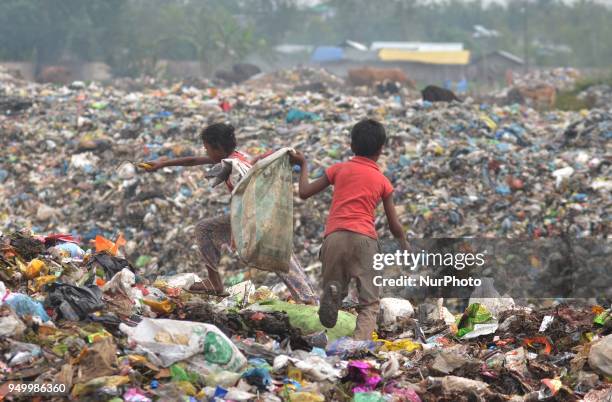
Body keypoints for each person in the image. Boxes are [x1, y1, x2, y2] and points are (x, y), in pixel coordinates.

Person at [143, 122, 318, 304]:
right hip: (248, 217)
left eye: (207, 148)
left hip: (258, 220)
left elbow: (249, 180)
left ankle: (308, 300)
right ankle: (214, 283)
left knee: (282, 261)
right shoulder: (235, 157)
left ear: (218, 148)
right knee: (205, 229)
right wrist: (162, 164)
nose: (206, 152)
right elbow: (194, 161)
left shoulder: (233, 164)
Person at [289, 118, 409, 340]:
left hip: (334, 238)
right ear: (381, 150)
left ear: (352, 145)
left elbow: (304, 192)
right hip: (365, 241)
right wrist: (404, 245)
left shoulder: (339, 169)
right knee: (369, 303)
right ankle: (356, 348)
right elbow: (394, 225)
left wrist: (303, 164)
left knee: (335, 286)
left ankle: (334, 294)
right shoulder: (383, 181)